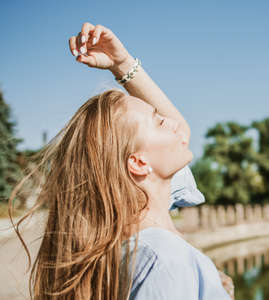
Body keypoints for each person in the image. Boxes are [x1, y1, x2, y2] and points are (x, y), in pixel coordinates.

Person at [9, 22, 234, 299]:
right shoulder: (163, 260)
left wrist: (122, 63)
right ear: (138, 163)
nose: (169, 120)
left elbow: (180, 133)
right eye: (156, 121)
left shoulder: (135, 244)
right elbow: (180, 131)